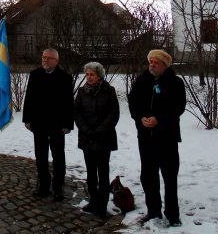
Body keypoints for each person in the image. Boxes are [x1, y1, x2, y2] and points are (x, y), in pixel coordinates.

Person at [128, 49, 186, 227]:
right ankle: (153, 210)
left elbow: (178, 107)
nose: (152, 65)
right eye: (150, 61)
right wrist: (141, 117)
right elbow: (133, 102)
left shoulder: (175, 83)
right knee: (148, 175)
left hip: (166, 137)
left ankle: (172, 214)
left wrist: (158, 119)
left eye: (156, 62)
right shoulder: (142, 80)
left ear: (164, 65)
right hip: (146, 138)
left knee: (169, 176)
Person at [23, 48, 74, 201]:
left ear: (56, 61)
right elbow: (29, 98)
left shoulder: (65, 77)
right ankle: (43, 184)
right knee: (40, 155)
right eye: (43, 57)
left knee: (58, 155)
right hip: (39, 123)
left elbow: (68, 103)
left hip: (58, 125)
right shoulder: (35, 75)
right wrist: (27, 119)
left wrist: (68, 124)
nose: (45, 60)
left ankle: (58, 186)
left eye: (49, 58)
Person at [74, 62, 119, 218]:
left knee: (103, 172)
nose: (89, 77)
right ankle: (93, 201)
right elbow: (77, 113)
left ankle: (102, 204)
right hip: (87, 138)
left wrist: (99, 130)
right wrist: (86, 129)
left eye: (92, 74)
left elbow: (114, 114)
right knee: (91, 173)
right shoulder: (81, 92)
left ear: (99, 75)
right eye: (87, 74)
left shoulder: (109, 90)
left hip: (103, 138)